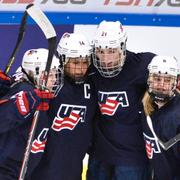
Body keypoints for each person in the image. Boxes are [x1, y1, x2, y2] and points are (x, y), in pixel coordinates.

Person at [86, 20, 156, 180]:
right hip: (100, 153)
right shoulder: (89, 67)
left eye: (111, 51)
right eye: (101, 51)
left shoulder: (141, 66)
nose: (105, 59)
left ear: (122, 47)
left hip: (132, 157)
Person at [28, 32, 98, 180]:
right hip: (41, 170)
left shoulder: (92, 84)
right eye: (75, 63)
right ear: (63, 60)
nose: (81, 69)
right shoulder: (50, 83)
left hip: (72, 169)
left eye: (85, 62)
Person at [0, 48, 61, 179]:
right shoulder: (25, 92)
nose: (54, 80)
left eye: (55, 74)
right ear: (36, 73)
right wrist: (24, 103)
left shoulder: (41, 95)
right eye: (49, 74)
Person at [142, 55, 180, 180]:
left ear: (175, 82)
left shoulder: (176, 116)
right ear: (149, 79)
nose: (161, 85)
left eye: (168, 80)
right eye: (157, 79)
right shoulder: (147, 106)